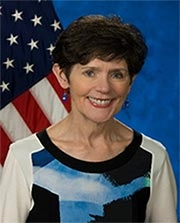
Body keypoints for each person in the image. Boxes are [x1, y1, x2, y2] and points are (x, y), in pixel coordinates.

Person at [0, 15, 177, 223]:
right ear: (62, 76)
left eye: (117, 75)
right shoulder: (26, 156)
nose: (104, 88)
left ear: (131, 81)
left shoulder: (152, 156)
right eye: (90, 72)